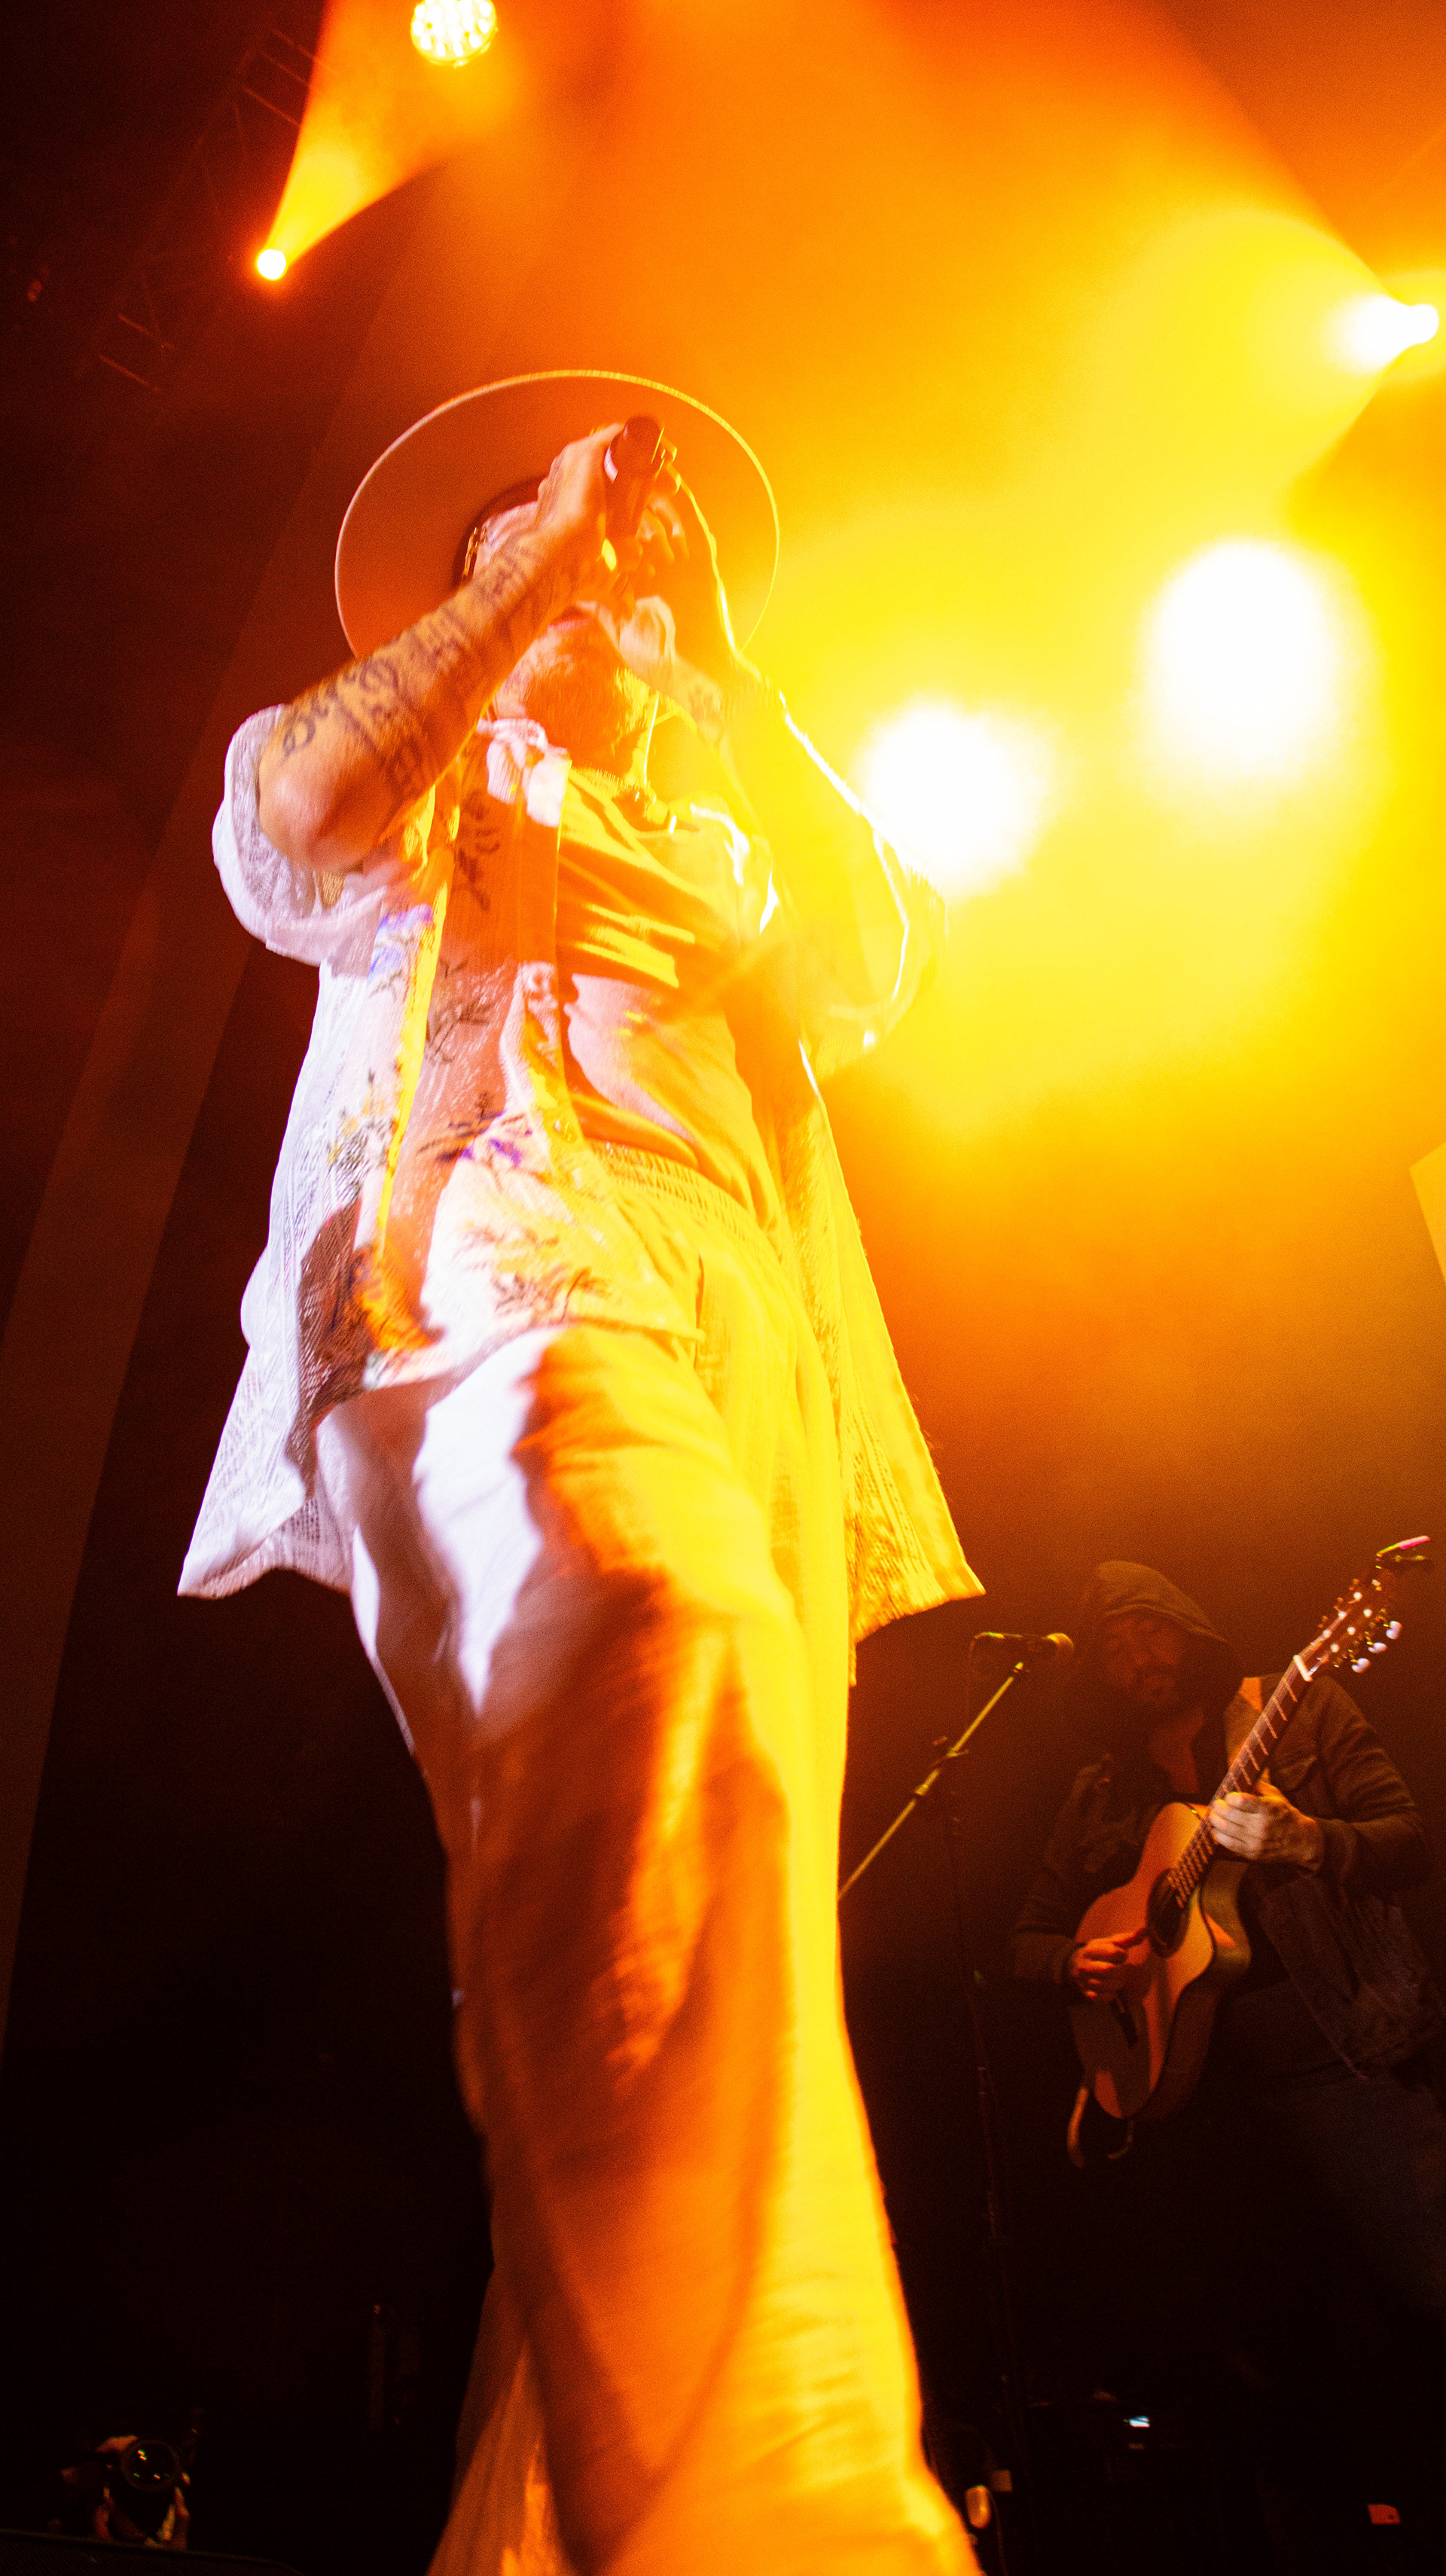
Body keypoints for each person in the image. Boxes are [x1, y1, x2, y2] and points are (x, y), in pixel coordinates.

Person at [180, 371, 981, 2576]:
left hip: (747, 1351)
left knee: (705, 1923)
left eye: (626, 574)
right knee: (646, 1629)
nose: (607, 589)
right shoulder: (419, 787)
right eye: (551, 556)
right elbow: (287, 818)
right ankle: (794, 2520)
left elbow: (876, 956)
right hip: (484, 1277)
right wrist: (527, 562)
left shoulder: (727, 842)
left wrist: (719, 653)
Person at [1011, 1561, 1446, 2567]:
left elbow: (1408, 1842)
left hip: (1347, 2065)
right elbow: (1027, 1938)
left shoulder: (1297, 1710)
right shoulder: (1101, 1791)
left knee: (1428, 2307)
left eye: (1150, 1631)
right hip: (1206, 2113)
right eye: (1114, 1649)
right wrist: (1073, 1963)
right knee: (1270, 2375)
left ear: (1190, 1629)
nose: (1139, 1659)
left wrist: (1307, 1840)